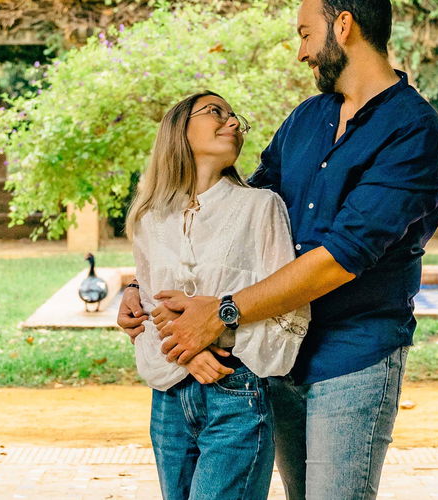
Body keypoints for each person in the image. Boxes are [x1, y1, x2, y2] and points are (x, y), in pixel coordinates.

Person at [119, 0, 438, 500]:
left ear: (343, 27)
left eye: (305, 34)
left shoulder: (413, 129)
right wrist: (143, 287)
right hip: (275, 355)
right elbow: (234, 217)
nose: (302, 53)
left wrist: (223, 312)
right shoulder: (307, 118)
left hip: (353, 354)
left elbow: (340, 258)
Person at [126, 90, 309, 500]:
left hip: (236, 391)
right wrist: (188, 354)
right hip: (169, 400)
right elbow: (152, 310)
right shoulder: (149, 217)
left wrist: (217, 337)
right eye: (215, 112)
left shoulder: (261, 207)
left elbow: (290, 312)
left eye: (234, 117)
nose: (233, 123)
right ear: (179, 128)